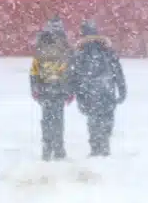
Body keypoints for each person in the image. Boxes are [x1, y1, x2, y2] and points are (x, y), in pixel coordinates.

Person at [69, 20, 127, 157]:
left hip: (89, 92)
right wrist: (122, 90)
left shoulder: (80, 52)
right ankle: (105, 146)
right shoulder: (107, 49)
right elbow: (117, 71)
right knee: (107, 119)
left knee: (93, 122)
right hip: (107, 90)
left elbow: (75, 76)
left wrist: (77, 94)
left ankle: (95, 148)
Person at [30, 17, 74, 161]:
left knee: (47, 118)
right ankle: (58, 148)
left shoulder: (41, 44)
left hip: (44, 88)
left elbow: (34, 70)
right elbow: (68, 70)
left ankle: (47, 148)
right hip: (59, 88)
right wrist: (69, 90)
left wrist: (35, 88)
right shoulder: (65, 45)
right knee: (58, 119)